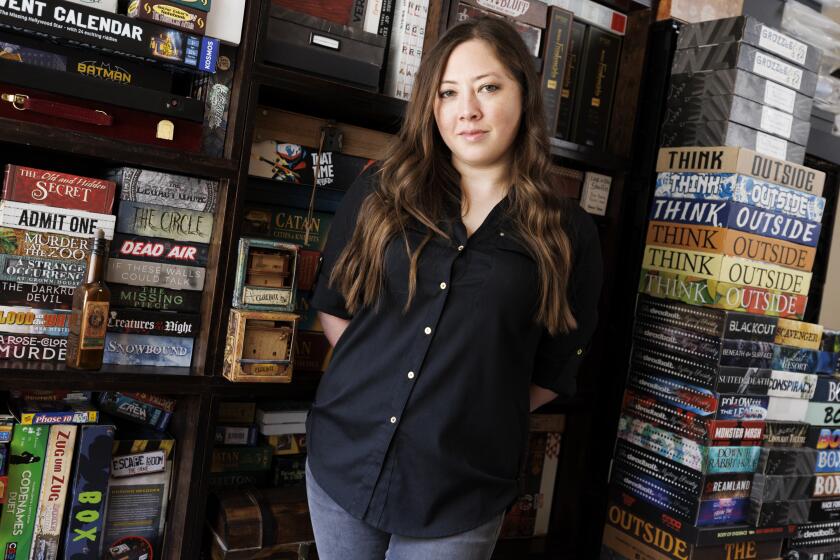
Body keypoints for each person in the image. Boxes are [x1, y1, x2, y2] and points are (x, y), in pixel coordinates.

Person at [305, 16, 603, 560]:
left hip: (461, 489)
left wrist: (471, 407)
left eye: (488, 87)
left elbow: (555, 367)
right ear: (432, 105)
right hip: (344, 460)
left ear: (524, 94)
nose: (467, 110)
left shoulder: (568, 232)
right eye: (448, 92)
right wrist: (382, 381)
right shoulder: (380, 189)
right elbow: (336, 304)